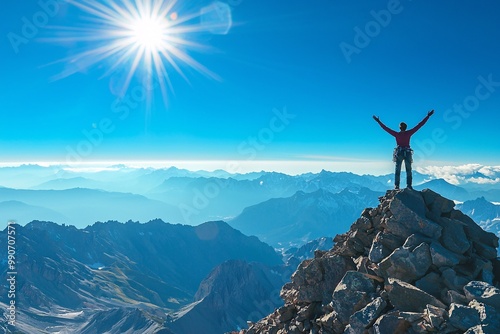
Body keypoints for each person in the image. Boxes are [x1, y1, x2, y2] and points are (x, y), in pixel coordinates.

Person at [373, 110, 434, 190]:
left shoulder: (396, 134)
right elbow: (419, 125)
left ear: (400, 128)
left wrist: (378, 121)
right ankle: (409, 186)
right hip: (408, 153)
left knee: (397, 170)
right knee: (408, 170)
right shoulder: (409, 133)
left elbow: (386, 128)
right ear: (406, 127)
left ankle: (396, 186)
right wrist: (428, 116)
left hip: (399, 153)